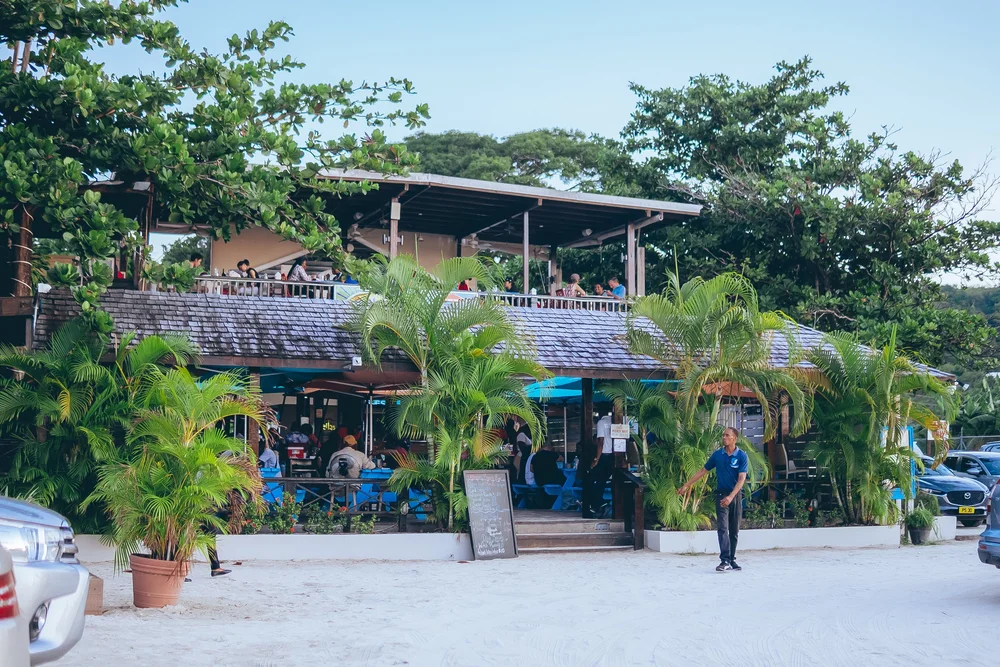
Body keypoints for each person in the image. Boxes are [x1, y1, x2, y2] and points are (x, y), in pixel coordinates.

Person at [677, 427, 748, 572]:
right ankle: (724, 560)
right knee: (722, 528)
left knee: (734, 530)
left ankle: (732, 560)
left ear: (734, 438)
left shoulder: (741, 456)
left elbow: (741, 479)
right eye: (723, 435)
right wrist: (686, 485)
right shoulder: (718, 455)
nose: (724, 437)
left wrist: (731, 496)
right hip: (721, 495)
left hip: (734, 496)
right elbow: (703, 471)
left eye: (727, 435)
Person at [582, 414, 614, 518]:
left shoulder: (601, 423)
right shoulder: (614, 422)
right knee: (602, 482)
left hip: (604, 456)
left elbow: (600, 441)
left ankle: (596, 504)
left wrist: (596, 459)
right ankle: (599, 503)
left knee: (591, 480)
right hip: (613, 456)